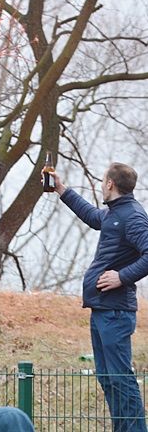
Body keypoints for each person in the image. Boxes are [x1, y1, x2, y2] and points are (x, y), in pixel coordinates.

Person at [52, 164, 148, 432]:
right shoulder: (115, 214)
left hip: (117, 312)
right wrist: (61, 189)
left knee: (120, 378)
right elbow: (94, 217)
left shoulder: (133, 217)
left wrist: (122, 276)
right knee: (108, 378)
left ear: (110, 184)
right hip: (103, 309)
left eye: (103, 180)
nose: (101, 184)